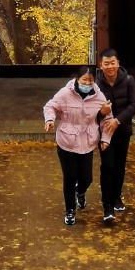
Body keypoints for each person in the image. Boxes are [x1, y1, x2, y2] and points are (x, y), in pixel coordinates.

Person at [43, 66, 108, 226]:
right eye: (84, 80)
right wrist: (49, 119)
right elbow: (50, 106)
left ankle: (80, 191)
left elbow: (107, 118)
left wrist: (105, 138)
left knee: (87, 178)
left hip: (88, 140)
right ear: (77, 79)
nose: (87, 83)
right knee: (70, 177)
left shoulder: (99, 96)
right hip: (67, 140)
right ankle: (70, 210)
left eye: (90, 80)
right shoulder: (66, 93)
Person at [96, 48, 135, 223]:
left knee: (120, 165)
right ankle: (107, 205)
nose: (110, 66)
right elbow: (90, 109)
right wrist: (102, 112)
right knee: (107, 166)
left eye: (112, 63)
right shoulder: (97, 84)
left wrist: (118, 120)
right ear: (101, 65)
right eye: (106, 63)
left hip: (122, 130)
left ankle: (116, 196)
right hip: (105, 132)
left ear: (118, 63)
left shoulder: (128, 80)